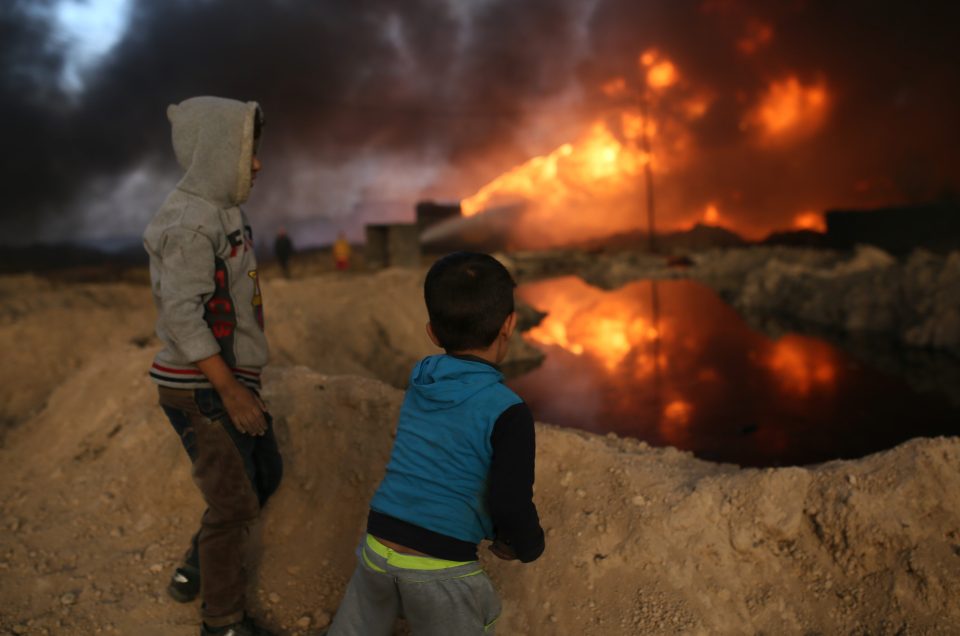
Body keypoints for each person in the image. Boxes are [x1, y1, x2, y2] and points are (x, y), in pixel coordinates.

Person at [326, 251, 545, 635]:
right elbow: (510, 501)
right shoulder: (508, 411)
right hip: (439, 567)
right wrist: (526, 545)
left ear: (432, 333)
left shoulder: (422, 377)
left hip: (376, 546)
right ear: (510, 325)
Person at [143, 96, 282, 636]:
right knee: (233, 506)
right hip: (201, 390)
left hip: (230, 382)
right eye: (248, 152)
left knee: (266, 473)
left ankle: (198, 564)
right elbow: (182, 316)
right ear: (215, 153)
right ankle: (222, 623)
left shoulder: (226, 210)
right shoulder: (185, 224)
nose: (257, 164)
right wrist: (230, 392)